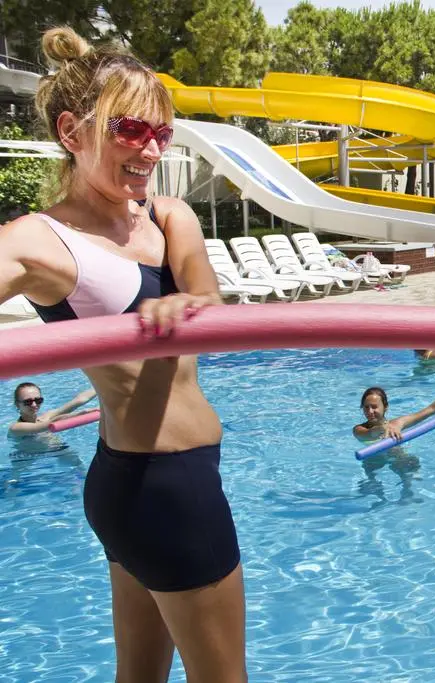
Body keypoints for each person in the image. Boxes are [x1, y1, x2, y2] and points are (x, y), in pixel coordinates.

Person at [0, 28, 245, 681]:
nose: (151, 149)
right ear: (72, 132)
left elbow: (210, 300)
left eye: (161, 132)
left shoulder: (168, 217)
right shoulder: (40, 240)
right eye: (130, 129)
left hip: (140, 480)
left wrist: (187, 307)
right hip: (168, 490)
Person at [354, 385, 435, 443]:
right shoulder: (358, 429)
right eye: (366, 407)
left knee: (411, 463)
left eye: (374, 407)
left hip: (397, 459)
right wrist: (383, 428)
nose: (370, 411)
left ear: (385, 407)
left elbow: (431, 409)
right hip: (372, 462)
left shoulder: (397, 423)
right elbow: (370, 433)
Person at [8, 382, 96, 437]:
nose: (34, 405)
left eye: (38, 400)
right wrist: (81, 413)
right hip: (29, 459)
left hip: (59, 451)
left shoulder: (46, 417)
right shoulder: (16, 428)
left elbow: (79, 400)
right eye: (28, 402)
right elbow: (49, 424)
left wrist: (101, 385)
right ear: (17, 404)